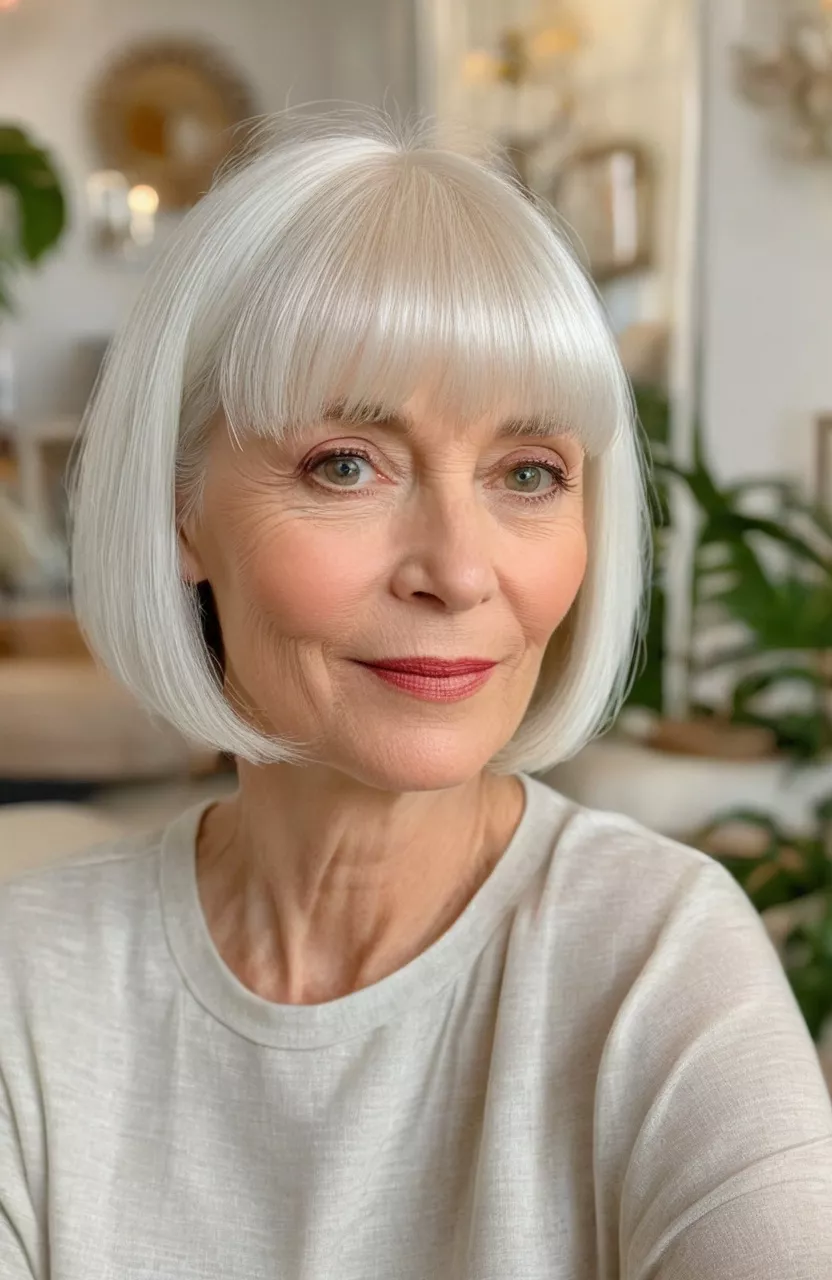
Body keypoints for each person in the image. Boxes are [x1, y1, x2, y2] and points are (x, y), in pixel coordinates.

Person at [1, 115, 830, 1280]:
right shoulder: (30, 984)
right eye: (346, 462)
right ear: (180, 509)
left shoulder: (658, 961)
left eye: (527, 473)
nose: (458, 566)